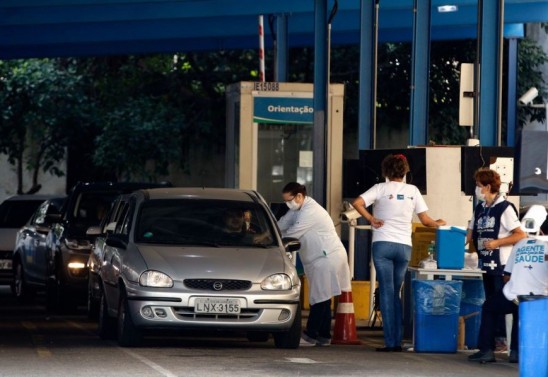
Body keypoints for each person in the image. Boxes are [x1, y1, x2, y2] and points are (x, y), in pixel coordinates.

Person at [352, 153, 446, 352]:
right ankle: (398, 339)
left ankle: (391, 341)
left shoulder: (380, 188)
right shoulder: (413, 190)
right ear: (405, 171)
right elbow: (426, 220)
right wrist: (440, 223)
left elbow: (357, 203)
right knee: (396, 292)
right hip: (404, 247)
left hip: (382, 245)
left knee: (386, 292)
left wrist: (371, 219)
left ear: (385, 171)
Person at [277, 182, 352, 347]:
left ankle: (311, 335)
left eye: (289, 200)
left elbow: (293, 233)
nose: (288, 204)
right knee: (322, 297)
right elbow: (281, 225)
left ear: (299, 196)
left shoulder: (311, 211)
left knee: (319, 298)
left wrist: (272, 242)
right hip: (319, 258)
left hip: (326, 256)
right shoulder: (297, 209)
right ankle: (324, 336)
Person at [466, 168, 526, 350]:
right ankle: (489, 344)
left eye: (478, 186)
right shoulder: (480, 208)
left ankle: (501, 340)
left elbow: (520, 235)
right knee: (490, 302)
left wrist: (498, 242)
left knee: (500, 304)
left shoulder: (504, 208)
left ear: (488, 186)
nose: (477, 190)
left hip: (502, 266)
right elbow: (469, 234)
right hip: (485, 265)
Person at [468, 234, 548, 363]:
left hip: (513, 294)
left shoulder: (521, 244)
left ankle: (486, 350)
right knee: (522, 312)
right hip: (539, 298)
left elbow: (506, 276)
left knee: (490, 307)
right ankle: (517, 352)